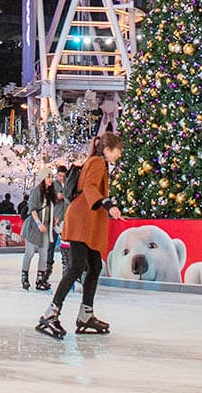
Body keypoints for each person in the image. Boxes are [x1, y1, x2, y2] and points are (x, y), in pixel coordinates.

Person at [37, 133, 123, 339]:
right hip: (81, 222)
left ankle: (85, 314)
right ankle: (50, 314)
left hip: (86, 222)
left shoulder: (95, 161)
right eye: (118, 152)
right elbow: (90, 187)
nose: (119, 156)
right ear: (108, 150)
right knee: (77, 266)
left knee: (95, 266)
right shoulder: (97, 163)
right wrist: (108, 204)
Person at [20, 170, 58, 291]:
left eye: (51, 177)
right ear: (42, 178)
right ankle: (24, 276)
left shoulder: (51, 192)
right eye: (48, 177)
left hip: (45, 227)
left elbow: (51, 208)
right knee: (30, 252)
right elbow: (33, 209)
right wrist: (38, 223)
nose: (50, 179)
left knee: (44, 253)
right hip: (33, 226)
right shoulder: (36, 191)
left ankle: (40, 279)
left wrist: (53, 219)